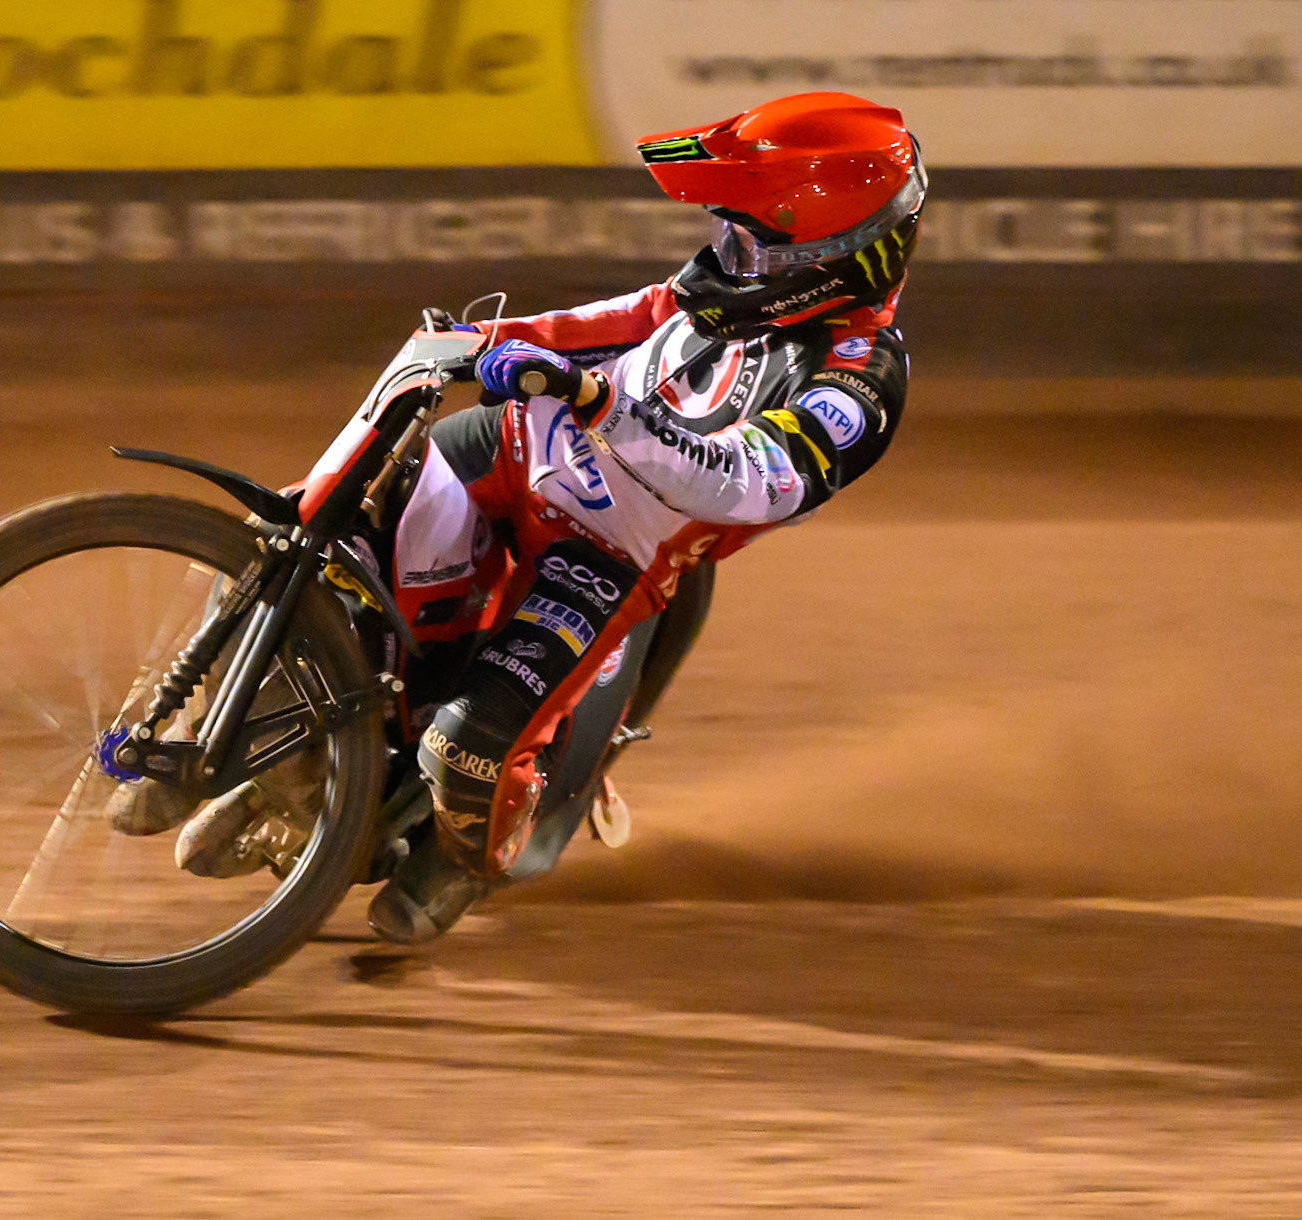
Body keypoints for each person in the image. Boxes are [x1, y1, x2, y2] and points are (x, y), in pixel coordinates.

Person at [116, 91, 925, 945]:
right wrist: (482, 340)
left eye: (748, 239)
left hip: (614, 552)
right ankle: (216, 730)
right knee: (305, 538)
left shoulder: (859, 379)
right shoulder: (721, 300)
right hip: (500, 455)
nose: (723, 254)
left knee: (467, 748)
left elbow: (743, 484)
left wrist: (597, 400)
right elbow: (615, 320)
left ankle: (459, 858)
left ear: (830, 254)